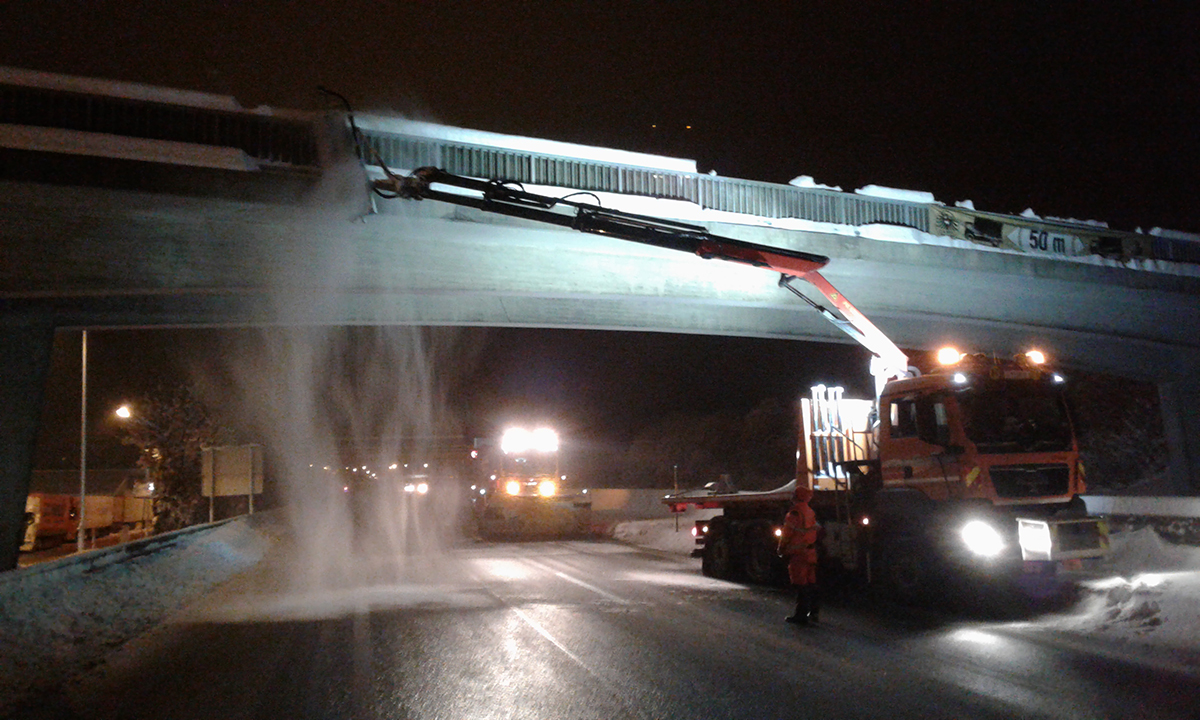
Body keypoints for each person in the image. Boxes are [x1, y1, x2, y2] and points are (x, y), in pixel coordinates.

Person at [778, 484, 820, 625]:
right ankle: (814, 612)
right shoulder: (810, 512)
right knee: (811, 583)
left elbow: (787, 534)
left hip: (798, 554)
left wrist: (781, 548)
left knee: (800, 585)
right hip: (810, 552)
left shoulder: (794, 514)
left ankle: (801, 616)